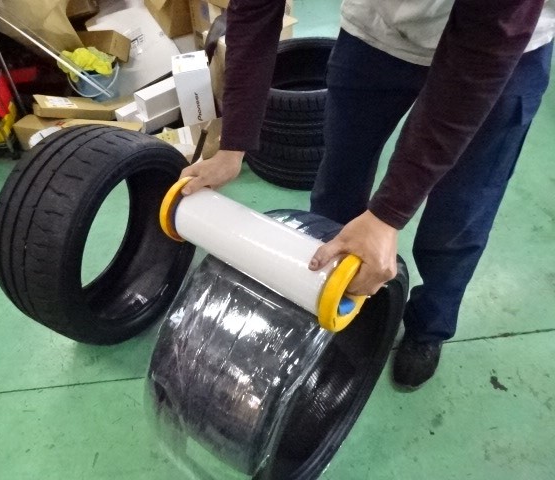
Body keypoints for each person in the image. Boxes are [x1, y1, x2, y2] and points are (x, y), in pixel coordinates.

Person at [179, 0, 554, 389]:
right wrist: (233, 145)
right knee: (336, 193)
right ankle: (329, 300)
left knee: (458, 215)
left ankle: (428, 328)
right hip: (378, 34)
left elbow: (480, 55)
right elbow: (255, 9)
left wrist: (388, 214)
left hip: (503, 50)